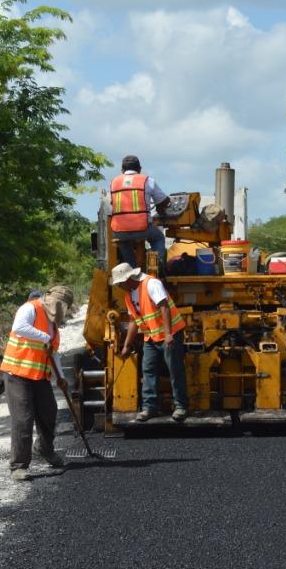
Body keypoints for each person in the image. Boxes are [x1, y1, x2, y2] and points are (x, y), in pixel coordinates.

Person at [0, 286, 75, 480]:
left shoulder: (53, 324)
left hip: (40, 376)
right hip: (17, 374)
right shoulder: (30, 309)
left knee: (49, 412)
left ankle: (45, 448)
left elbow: (53, 352)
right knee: (23, 419)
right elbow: (19, 327)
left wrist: (61, 378)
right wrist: (44, 337)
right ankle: (19, 466)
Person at [111, 262, 189, 422]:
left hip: (169, 335)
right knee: (148, 371)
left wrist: (168, 334)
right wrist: (126, 345)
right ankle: (149, 408)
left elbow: (164, 306)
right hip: (151, 337)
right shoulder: (129, 295)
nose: (119, 286)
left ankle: (181, 406)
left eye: (120, 283)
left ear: (129, 278)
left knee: (175, 370)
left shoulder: (151, 284)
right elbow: (134, 320)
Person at [107, 155, 171, 268]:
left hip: (119, 230)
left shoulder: (113, 183)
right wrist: (160, 208)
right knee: (158, 238)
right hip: (142, 228)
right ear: (139, 169)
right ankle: (155, 266)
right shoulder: (147, 180)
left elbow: (112, 204)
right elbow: (164, 200)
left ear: (122, 170)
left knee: (123, 242)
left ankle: (133, 270)